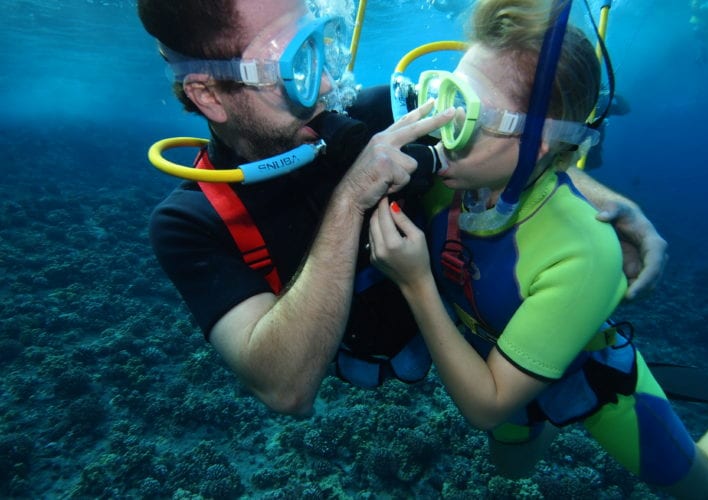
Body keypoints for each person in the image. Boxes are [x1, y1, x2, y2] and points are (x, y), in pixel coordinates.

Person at [137, 0, 668, 417]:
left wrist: (610, 203)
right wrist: (351, 198)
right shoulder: (193, 221)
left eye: (321, 42)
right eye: (292, 65)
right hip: (376, 352)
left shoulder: (373, 113)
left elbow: (507, 140)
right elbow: (284, 389)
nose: (326, 84)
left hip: (465, 333)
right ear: (208, 95)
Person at [368, 0, 708, 497]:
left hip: (589, 380)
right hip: (494, 359)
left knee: (700, 486)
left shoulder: (585, 254)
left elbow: (486, 405)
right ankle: (543, 402)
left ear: (536, 145)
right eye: (440, 96)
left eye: (463, 113)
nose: (436, 129)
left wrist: (416, 282)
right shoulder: (452, 174)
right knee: (511, 470)